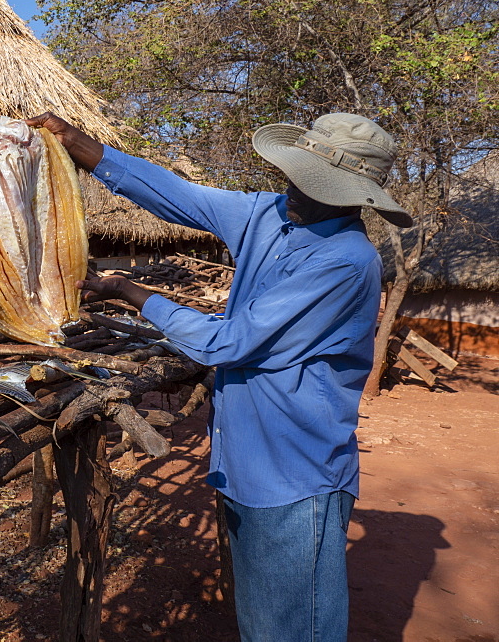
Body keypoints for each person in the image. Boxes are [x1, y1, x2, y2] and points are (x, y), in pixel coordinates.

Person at [26, 111, 413, 642]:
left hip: (295, 473)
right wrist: (82, 147)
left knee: (294, 629)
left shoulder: (345, 262)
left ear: (352, 197)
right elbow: (181, 196)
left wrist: (133, 293)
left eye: (312, 184)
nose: (293, 189)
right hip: (246, 463)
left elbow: (228, 342)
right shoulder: (271, 213)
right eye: (293, 174)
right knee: (262, 623)